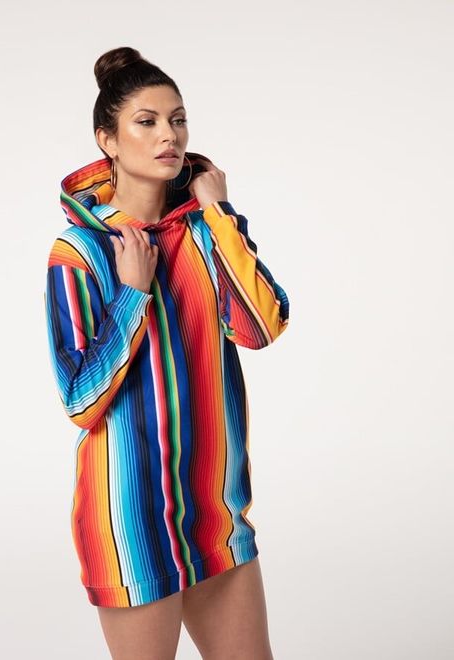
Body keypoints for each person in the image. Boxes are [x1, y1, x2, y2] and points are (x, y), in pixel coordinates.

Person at [44, 46, 289, 660]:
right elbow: (81, 401)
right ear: (107, 139)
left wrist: (220, 212)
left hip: (215, 510)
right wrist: (132, 295)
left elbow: (261, 327)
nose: (169, 136)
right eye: (147, 121)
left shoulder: (208, 233)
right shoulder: (80, 252)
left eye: (178, 120)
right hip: (131, 517)